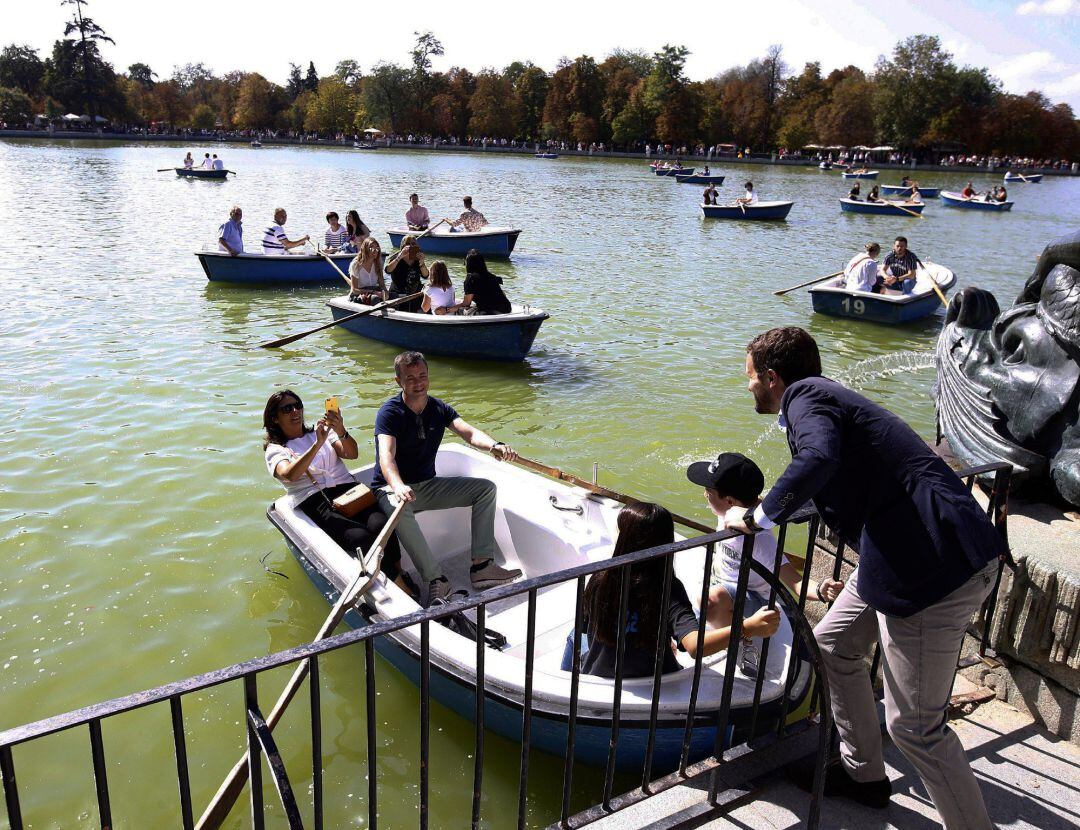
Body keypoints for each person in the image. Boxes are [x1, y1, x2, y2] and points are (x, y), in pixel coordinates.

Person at [726, 327, 1006, 825]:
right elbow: (836, 475)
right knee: (833, 645)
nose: (747, 386)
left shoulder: (804, 396)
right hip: (909, 549)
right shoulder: (830, 395)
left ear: (772, 377)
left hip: (931, 568)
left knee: (917, 728)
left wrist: (758, 517)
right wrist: (779, 509)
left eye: (749, 377)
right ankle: (865, 777)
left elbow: (819, 458)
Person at [562, 502, 781, 679]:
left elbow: (585, 629)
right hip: (653, 680)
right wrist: (747, 627)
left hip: (599, 676)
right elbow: (696, 647)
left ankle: (564, 684)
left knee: (574, 636)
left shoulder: (600, 579)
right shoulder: (667, 588)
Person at [373, 351, 523, 605]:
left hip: (427, 486)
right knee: (399, 505)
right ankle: (436, 580)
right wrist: (398, 485)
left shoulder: (438, 407)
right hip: (391, 488)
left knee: (485, 489)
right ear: (398, 381)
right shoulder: (389, 412)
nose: (418, 383)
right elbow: (386, 456)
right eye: (410, 378)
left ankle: (482, 566)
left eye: (422, 376)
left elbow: (469, 432)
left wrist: (494, 445)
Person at [686, 452, 844, 676]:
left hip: (751, 597)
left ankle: (740, 639)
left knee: (710, 600)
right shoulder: (728, 511)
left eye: (709, 492)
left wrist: (820, 590)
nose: (704, 495)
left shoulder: (760, 540)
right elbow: (760, 502)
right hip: (721, 581)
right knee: (707, 598)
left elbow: (795, 581)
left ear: (730, 502)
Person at [263, 390, 416, 598]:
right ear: (274, 417)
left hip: (349, 491)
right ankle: (405, 591)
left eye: (297, 405)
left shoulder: (323, 432)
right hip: (316, 499)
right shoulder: (276, 449)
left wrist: (341, 430)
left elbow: (352, 454)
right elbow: (289, 475)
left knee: (382, 526)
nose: (295, 411)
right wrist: (317, 444)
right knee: (361, 537)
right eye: (287, 408)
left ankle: (398, 572)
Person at [385, 235, 428, 312]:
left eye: (413, 244)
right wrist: (399, 257)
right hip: (399, 292)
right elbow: (388, 270)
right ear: (403, 246)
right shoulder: (396, 258)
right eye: (408, 243)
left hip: (415, 292)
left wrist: (422, 262)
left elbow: (425, 275)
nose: (411, 246)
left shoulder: (417, 259)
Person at [462, 249, 512, 315]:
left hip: (491, 312)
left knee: (462, 311)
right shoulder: (492, 276)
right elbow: (503, 295)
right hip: (507, 309)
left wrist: (450, 308)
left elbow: (466, 304)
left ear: (468, 264)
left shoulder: (470, 279)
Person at [348, 237, 388, 304]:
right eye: (371, 247)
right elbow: (355, 290)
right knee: (375, 298)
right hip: (359, 294)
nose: (375, 250)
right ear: (365, 249)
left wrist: (385, 292)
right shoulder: (356, 265)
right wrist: (373, 292)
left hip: (375, 291)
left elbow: (382, 285)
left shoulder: (378, 263)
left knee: (394, 296)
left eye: (377, 247)